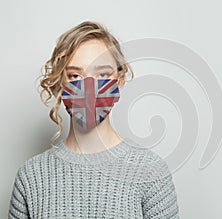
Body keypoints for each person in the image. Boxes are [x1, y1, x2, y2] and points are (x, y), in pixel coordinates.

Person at [8, 21, 180, 218]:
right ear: (59, 84)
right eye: (75, 75)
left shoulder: (151, 173)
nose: (88, 86)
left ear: (119, 81)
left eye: (103, 74)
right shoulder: (31, 177)